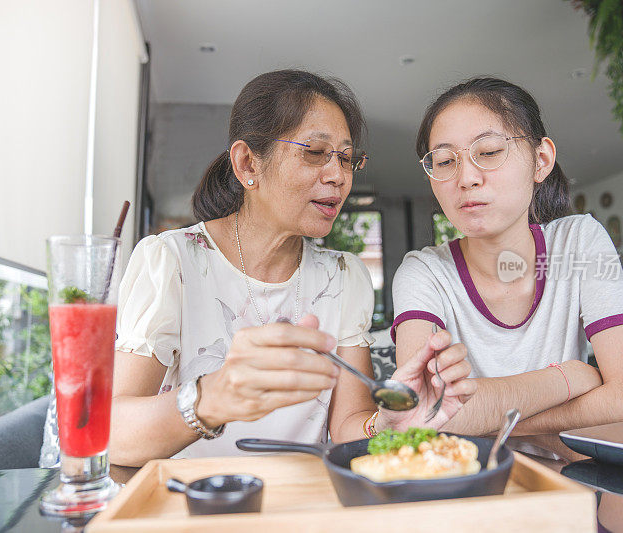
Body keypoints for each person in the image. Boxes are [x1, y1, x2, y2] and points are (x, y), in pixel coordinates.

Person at [110, 70, 472, 466]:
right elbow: (113, 436)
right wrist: (213, 396)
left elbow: (347, 425)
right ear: (247, 163)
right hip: (196, 505)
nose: (338, 176)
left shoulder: (344, 277)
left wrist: (388, 423)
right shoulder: (172, 262)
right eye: (314, 152)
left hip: (305, 504)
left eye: (347, 159)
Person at [391, 77, 623, 436]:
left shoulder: (578, 241)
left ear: (541, 160)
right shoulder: (424, 272)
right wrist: (567, 379)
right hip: (473, 486)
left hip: (572, 481)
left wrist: (493, 421)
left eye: (488, 152)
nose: (467, 177)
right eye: (444, 161)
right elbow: (425, 410)